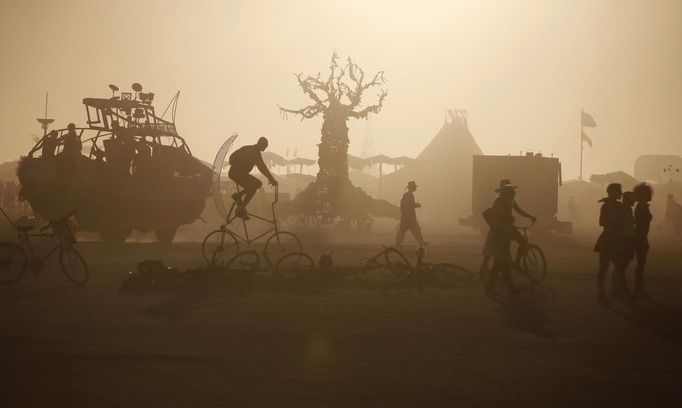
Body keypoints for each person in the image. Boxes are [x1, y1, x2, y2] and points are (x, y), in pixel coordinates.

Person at [480, 179, 537, 278]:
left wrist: (530, 216)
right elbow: (490, 213)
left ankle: (516, 263)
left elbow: (519, 211)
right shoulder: (498, 201)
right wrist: (500, 220)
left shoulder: (510, 201)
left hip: (508, 228)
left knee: (522, 243)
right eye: (510, 191)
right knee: (492, 250)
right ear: (504, 192)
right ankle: (485, 269)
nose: (513, 193)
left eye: (512, 191)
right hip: (500, 229)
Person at [228, 137, 277, 219]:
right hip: (237, 174)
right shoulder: (255, 153)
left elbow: (231, 158)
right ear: (260, 144)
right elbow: (262, 168)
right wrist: (271, 179)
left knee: (254, 186)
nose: (266, 147)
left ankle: (240, 202)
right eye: (265, 145)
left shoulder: (248, 148)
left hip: (236, 173)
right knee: (257, 184)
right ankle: (240, 204)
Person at [594, 183, 624, 305]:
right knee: (604, 268)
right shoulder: (607, 206)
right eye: (618, 191)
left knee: (619, 266)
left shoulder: (616, 205)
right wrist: (614, 221)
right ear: (612, 192)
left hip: (614, 239)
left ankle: (613, 290)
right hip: (608, 239)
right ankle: (602, 292)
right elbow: (601, 222)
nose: (620, 193)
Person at [612, 191, 636, 298]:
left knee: (623, 263)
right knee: (621, 265)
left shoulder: (629, 210)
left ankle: (617, 287)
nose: (634, 201)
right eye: (632, 199)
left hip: (629, 238)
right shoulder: (622, 210)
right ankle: (619, 288)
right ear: (627, 200)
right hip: (624, 239)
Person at [633, 182, 653, 298]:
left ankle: (638, 287)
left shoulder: (641, 207)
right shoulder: (641, 207)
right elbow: (641, 223)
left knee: (640, 264)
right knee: (640, 264)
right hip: (641, 237)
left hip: (641, 236)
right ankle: (638, 287)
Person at [394, 181, 429, 247]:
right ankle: (421, 242)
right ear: (412, 188)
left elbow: (405, 206)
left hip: (406, 217)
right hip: (408, 217)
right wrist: (416, 205)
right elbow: (409, 206)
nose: (415, 188)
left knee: (405, 230)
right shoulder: (408, 196)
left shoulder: (407, 195)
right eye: (414, 187)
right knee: (413, 230)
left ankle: (398, 244)